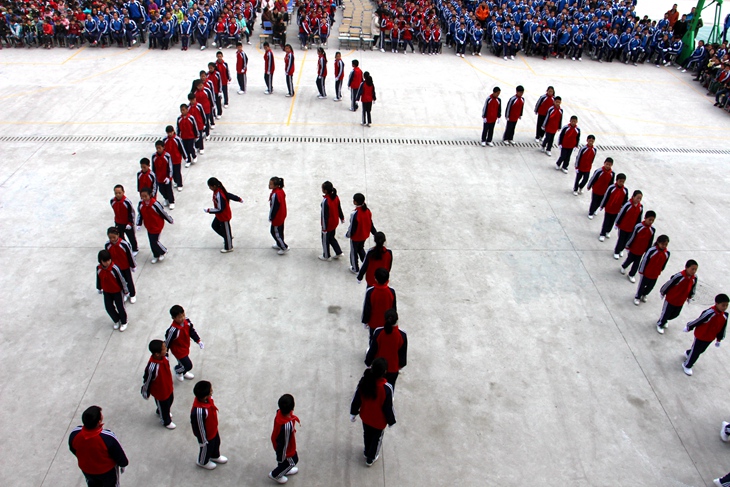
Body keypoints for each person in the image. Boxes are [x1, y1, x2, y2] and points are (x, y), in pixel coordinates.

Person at [349, 358, 396, 467]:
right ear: (384, 372)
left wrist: (353, 412)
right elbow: (388, 407)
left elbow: (357, 398)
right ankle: (371, 458)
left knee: (367, 434)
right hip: (379, 422)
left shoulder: (364, 382)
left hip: (365, 416)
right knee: (377, 439)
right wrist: (391, 421)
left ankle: (366, 451)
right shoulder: (387, 388)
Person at [69, 406, 129, 486]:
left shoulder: (75, 433)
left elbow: (73, 449)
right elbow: (118, 453)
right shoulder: (107, 437)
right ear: (99, 421)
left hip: (87, 470)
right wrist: (123, 463)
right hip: (107, 471)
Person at [681, 294, 729, 376]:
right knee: (696, 352)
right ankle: (687, 365)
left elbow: (722, 328)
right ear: (716, 304)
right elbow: (699, 320)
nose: (725, 307)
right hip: (701, 335)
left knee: (701, 350)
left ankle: (689, 353)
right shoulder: (709, 313)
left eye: (727, 305)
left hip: (710, 337)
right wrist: (689, 326)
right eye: (723, 305)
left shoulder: (725, 315)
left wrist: (719, 339)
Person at [365, 309, 407, 387]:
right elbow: (402, 353)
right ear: (397, 320)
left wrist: (368, 362)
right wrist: (400, 366)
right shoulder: (402, 335)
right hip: (393, 368)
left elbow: (373, 349)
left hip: (378, 367)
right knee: (389, 389)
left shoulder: (378, 332)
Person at [191, 381, 228, 470]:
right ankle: (202, 462)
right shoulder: (199, 411)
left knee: (216, 443)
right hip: (206, 436)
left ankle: (215, 456)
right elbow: (199, 427)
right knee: (206, 448)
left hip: (213, 429)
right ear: (205, 397)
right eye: (211, 391)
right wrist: (204, 440)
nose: (212, 391)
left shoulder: (208, 399)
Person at [141, 339, 176, 429]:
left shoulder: (165, 357)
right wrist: (145, 391)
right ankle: (165, 421)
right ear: (157, 354)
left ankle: (160, 410)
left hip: (168, 386)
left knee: (170, 401)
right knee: (164, 406)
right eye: (164, 349)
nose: (166, 349)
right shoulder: (152, 368)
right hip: (160, 392)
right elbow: (147, 380)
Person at [656, 259, 699, 334]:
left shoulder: (694, 278)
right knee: (666, 313)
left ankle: (664, 319)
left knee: (675, 314)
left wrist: (690, 296)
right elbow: (669, 284)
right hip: (671, 299)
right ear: (686, 267)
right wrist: (663, 292)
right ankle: (660, 324)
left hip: (680, 301)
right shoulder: (679, 277)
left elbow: (693, 287)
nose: (694, 271)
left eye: (695, 269)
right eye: (692, 269)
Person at [203, 177, 243, 253]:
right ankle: (227, 237)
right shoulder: (219, 191)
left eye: (210, 186)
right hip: (219, 216)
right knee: (215, 226)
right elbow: (229, 195)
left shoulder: (219, 194)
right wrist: (238, 199)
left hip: (224, 216)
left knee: (226, 229)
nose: (209, 188)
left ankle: (229, 247)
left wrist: (209, 210)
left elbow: (220, 209)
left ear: (214, 186)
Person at [165, 304, 204, 381]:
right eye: (179, 317)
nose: (183, 318)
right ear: (173, 318)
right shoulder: (173, 331)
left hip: (185, 347)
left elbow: (192, 332)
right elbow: (167, 342)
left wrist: (198, 341)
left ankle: (183, 371)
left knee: (182, 363)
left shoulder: (187, 321)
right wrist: (166, 354)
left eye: (183, 315)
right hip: (178, 351)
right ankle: (178, 370)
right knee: (188, 365)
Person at [136, 187, 174, 264]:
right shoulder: (141, 204)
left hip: (157, 225)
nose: (144, 198)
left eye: (145, 196)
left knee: (154, 241)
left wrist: (170, 220)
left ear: (150, 195)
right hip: (148, 225)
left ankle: (163, 251)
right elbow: (140, 214)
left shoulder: (155, 204)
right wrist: (138, 224)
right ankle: (156, 255)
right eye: (142, 196)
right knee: (151, 241)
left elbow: (163, 213)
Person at [269, 394, 301, 484]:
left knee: (285, 463)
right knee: (293, 461)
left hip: (277, 440)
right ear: (292, 408)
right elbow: (283, 443)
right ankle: (276, 475)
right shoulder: (287, 426)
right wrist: (282, 457)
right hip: (286, 450)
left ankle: (285, 470)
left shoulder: (279, 412)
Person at [96, 249, 129, 331]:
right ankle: (117, 320)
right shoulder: (98, 268)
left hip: (117, 291)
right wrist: (99, 288)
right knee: (108, 307)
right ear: (100, 261)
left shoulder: (115, 268)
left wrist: (125, 290)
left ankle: (124, 321)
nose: (107, 262)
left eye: (109, 260)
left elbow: (122, 280)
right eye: (105, 261)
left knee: (120, 307)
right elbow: (98, 278)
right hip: (106, 292)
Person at [634, 235, 670, 306]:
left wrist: (661, 270)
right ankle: (637, 297)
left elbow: (664, 263)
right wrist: (641, 271)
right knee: (641, 286)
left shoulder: (667, 253)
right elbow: (645, 260)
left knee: (650, 287)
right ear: (658, 242)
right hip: (646, 272)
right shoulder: (652, 250)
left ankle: (644, 294)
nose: (664, 246)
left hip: (655, 274)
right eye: (662, 244)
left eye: (666, 244)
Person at [620, 211, 656, 281]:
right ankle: (624, 266)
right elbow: (632, 236)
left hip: (641, 250)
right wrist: (628, 245)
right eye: (649, 219)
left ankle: (631, 274)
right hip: (634, 248)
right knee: (629, 259)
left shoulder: (652, 230)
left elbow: (650, 240)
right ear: (645, 218)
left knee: (637, 263)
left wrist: (648, 250)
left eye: (652, 220)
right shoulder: (638, 226)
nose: (651, 222)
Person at [362, 268, 397, 339]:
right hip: (387, 322)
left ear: (375, 278)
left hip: (373, 323)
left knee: (373, 338)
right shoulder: (391, 291)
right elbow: (393, 307)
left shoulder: (370, 292)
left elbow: (367, 308)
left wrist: (365, 321)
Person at [346, 192, 377, 273]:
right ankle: (366, 264)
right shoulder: (367, 210)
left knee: (353, 252)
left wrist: (348, 235)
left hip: (356, 237)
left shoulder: (354, 213)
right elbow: (370, 223)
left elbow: (352, 227)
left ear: (355, 202)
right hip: (364, 235)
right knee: (360, 249)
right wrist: (374, 233)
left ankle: (355, 268)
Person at [105, 227, 137, 304]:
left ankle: (132, 294)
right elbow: (107, 257)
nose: (112, 239)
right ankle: (125, 293)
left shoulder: (124, 244)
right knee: (120, 281)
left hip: (125, 266)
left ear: (118, 235)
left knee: (129, 281)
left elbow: (130, 255)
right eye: (110, 238)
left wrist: (133, 265)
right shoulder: (107, 245)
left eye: (114, 237)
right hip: (115, 268)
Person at [612, 190, 644, 259]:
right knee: (621, 239)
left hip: (632, 228)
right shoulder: (628, 205)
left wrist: (638, 227)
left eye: (640, 198)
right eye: (637, 198)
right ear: (633, 197)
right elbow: (621, 214)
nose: (638, 200)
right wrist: (617, 223)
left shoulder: (640, 207)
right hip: (623, 226)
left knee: (627, 240)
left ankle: (621, 250)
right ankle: (617, 251)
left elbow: (639, 218)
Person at [598, 174, 628, 241]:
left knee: (612, 221)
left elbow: (625, 201)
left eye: (623, 182)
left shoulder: (625, 190)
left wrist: (622, 209)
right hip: (609, 208)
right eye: (620, 181)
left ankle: (608, 231)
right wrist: (602, 205)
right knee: (606, 221)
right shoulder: (611, 188)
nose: (621, 183)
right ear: (617, 180)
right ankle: (602, 233)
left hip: (616, 210)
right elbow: (606, 197)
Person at [320, 181, 345, 261]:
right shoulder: (336, 197)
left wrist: (324, 228)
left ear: (326, 191)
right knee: (331, 237)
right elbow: (339, 208)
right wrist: (342, 217)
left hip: (328, 225)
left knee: (325, 240)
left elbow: (324, 216)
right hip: (335, 222)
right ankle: (338, 252)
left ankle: (326, 255)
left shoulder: (325, 201)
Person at [110, 185, 138, 253]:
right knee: (120, 237)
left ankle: (135, 249)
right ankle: (126, 247)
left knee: (131, 237)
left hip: (127, 223)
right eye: (116, 193)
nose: (118, 195)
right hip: (118, 222)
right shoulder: (112, 201)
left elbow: (132, 213)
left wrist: (130, 223)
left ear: (123, 192)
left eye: (119, 193)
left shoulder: (127, 202)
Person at [151, 140, 175, 209]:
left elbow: (170, 167)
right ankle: (166, 198)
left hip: (166, 177)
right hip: (158, 177)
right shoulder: (154, 156)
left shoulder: (167, 156)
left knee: (168, 189)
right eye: (157, 148)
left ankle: (171, 201)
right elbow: (153, 167)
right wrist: (154, 176)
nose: (158, 150)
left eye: (159, 148)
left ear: (163, 147)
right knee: (161, 190)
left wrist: (169, 177)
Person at [269, 176, 289, 254]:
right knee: (280, 231)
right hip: (282, 214)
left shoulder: (275, 195)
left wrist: (271, 217)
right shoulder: (281, 191)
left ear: (276, 185)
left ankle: (284, 247)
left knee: (274, 232)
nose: (269, 186)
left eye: (271, 184)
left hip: (277, 217)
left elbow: (274, 208)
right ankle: (279, 243)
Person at [164, 126, 187, 192]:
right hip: (169, 160)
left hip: (176, 159)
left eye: (171, 132)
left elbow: (182, 148)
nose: (170, 134)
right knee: (172, 172)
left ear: (173, 131)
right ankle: (176, 182)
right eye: (168, 133)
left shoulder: (177, 139)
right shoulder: (165, 140)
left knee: (177, 172)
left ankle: (180, 184)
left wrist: (185, 157)